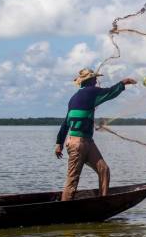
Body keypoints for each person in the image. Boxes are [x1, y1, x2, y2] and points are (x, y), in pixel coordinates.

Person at [55, 68, 137, 201]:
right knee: (72, 180)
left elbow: (65, 122)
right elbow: (110, 92)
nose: (97, 81)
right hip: (77, 144)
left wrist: (59, 143)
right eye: (95, 79)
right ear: (91, 80)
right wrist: (124, 82)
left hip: (86, 142)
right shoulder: (92, 92)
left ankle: (102, 202)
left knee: (103, 169)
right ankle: (64, 211)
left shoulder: (74, 97)